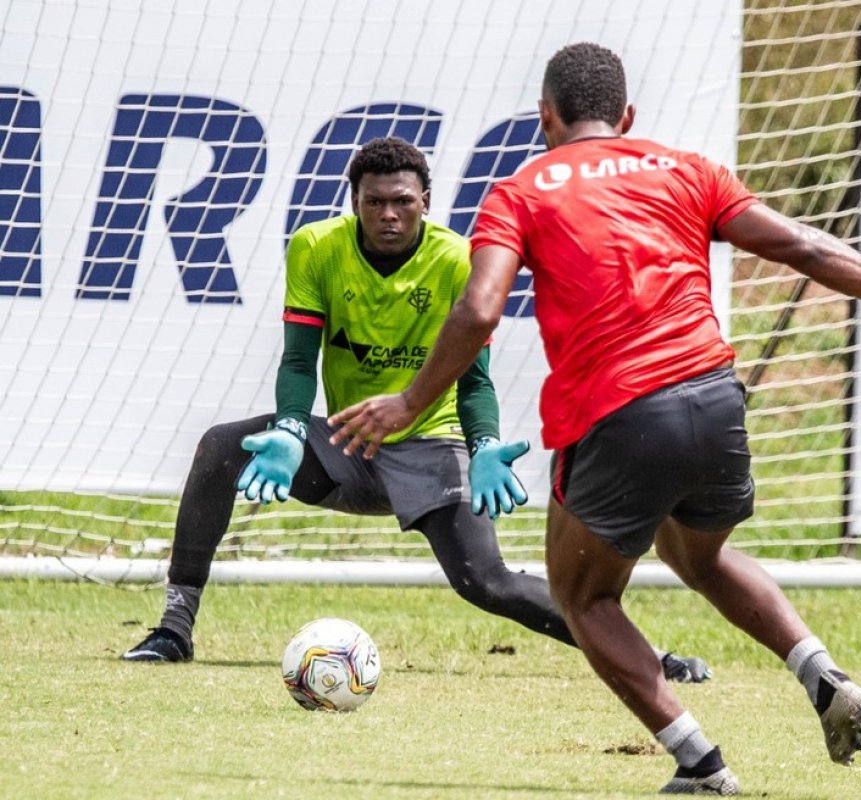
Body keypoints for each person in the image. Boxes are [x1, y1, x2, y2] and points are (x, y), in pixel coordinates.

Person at [327, 46, 861, 796]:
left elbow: (479, 309)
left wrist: (409, 403)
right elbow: (803, 246)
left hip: (617, 414)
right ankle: (822, 673)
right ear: (627, 118)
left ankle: (701, 765)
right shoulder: (686, 168)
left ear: (545, 116)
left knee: (584, 597)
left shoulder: (518, 191)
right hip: (715, 399)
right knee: (700, 557)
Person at [121, 136, 712, 686]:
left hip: (434, 446)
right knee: (220, 447)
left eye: (401, 201)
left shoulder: (459, 259)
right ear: (354, 201)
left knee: (486, 582)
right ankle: (174, 628)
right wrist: (290, 429)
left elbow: (474, 379)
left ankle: (652, 660)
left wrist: (483, 447)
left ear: (424, 201)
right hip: (348, 445)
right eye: (372, 202)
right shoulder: (315, 248)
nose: (387, 215)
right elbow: (299, 361)